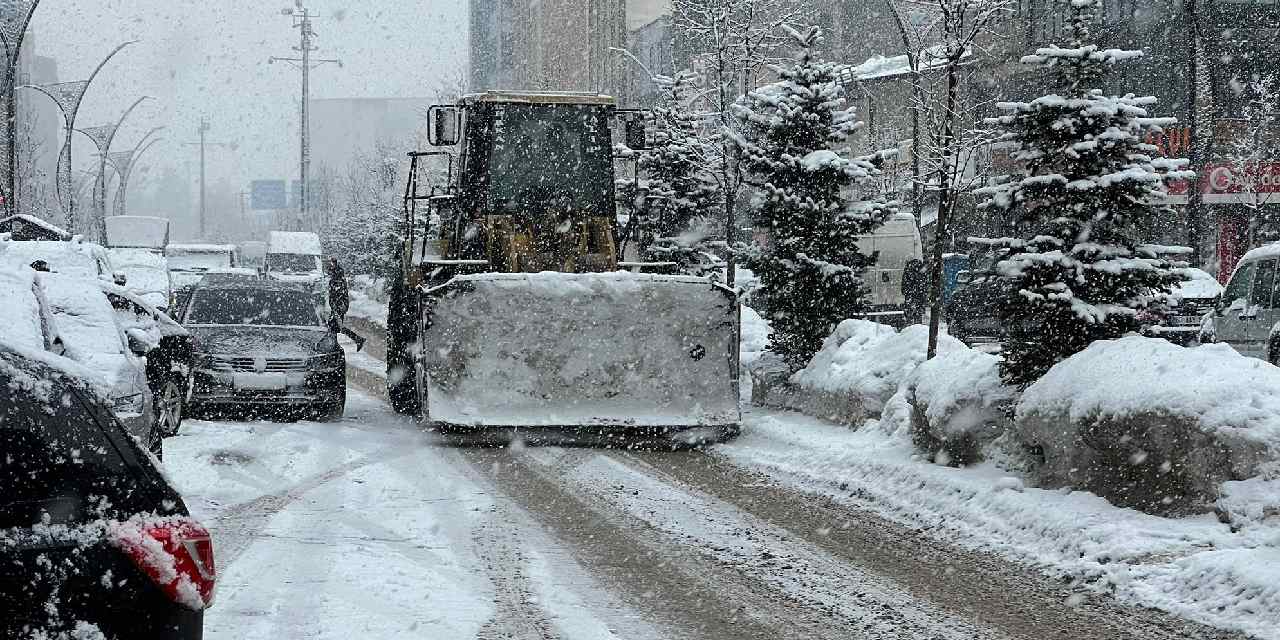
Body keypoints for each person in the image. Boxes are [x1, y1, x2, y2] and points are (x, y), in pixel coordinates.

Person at [325, 257, 365, 351]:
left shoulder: (337, 278)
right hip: (338, 306)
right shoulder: (337, 276)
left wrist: (336, 306)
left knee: (334, 327)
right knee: (335, 327)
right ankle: (357, 339)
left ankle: (334, 347)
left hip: (338, 307)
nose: (328, 272)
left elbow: (339, 293)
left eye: (329, 269)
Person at [901, 258, 927, 326]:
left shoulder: (908, 271)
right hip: (918, 298)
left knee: (909, 316)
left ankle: (910, 329)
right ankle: (916, 328)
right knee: (917, 316)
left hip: (910, 297)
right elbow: (924, 286)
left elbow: (904, 287)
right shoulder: (920, 272)